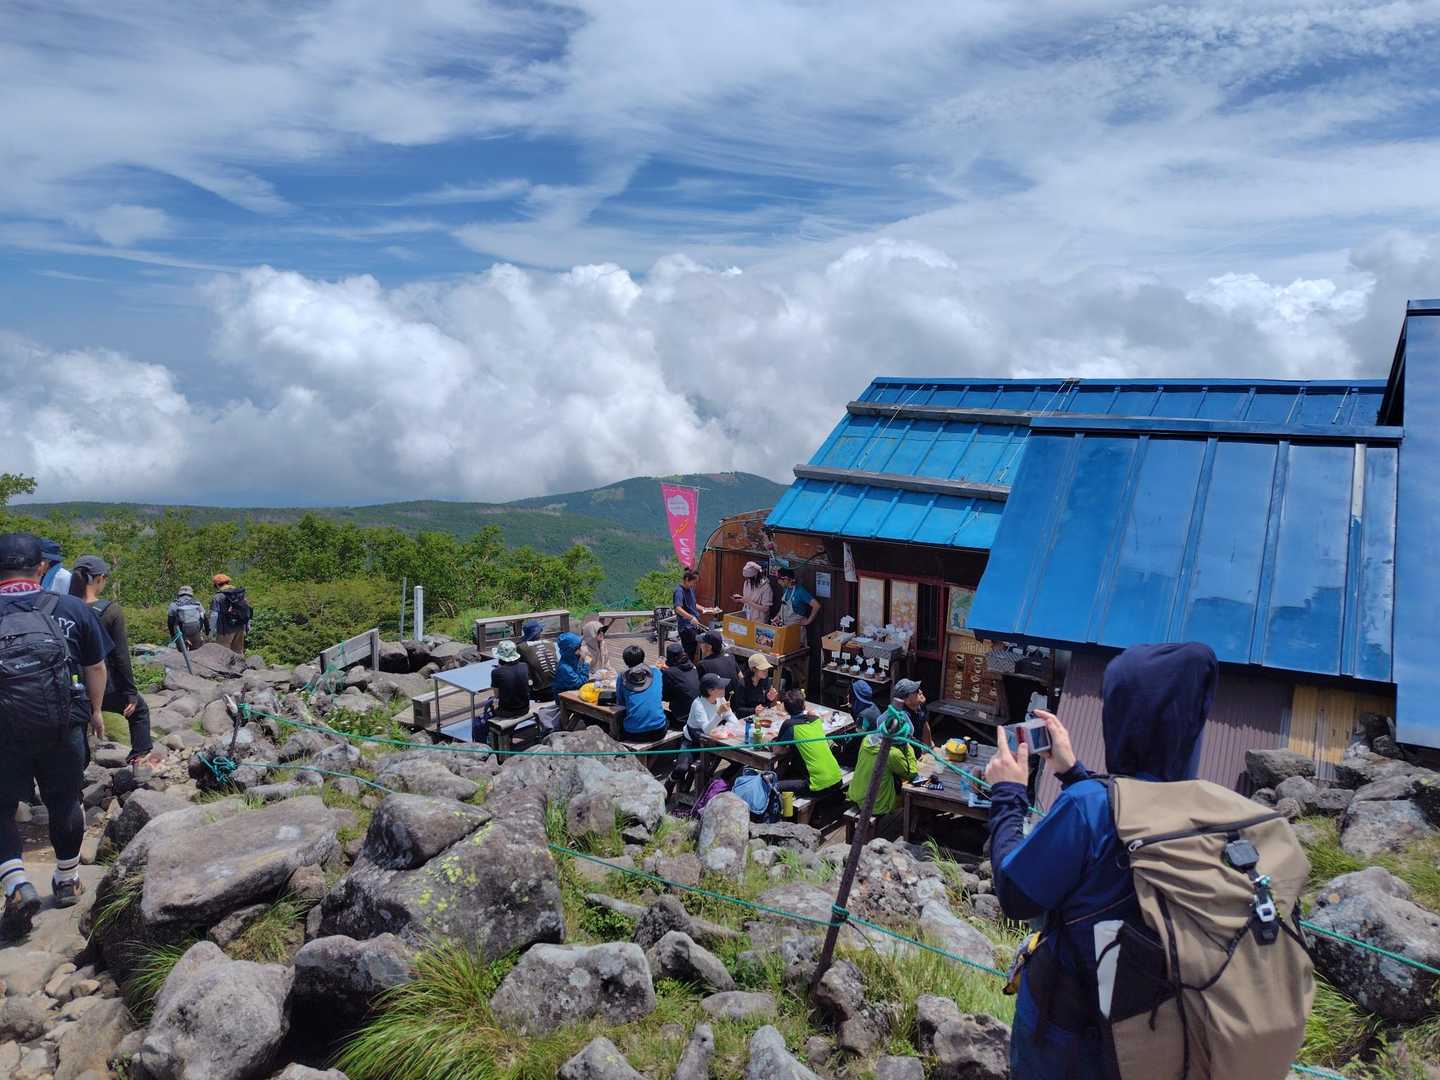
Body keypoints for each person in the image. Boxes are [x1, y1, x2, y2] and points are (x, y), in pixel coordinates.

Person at [983, 642, 1218, 1079]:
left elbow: (1015, 894)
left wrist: (1008, 794)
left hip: (1068, 1038)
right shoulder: (1207, 810)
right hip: (1152, 1033)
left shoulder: (1088, 807)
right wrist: (1073, 771)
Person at [0, 532, 111, 939]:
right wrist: (95, 711)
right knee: (65, 800)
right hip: (62, 724)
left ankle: (16, 882)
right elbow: (96, 666)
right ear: (42, 566)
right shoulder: (71, 607)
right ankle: (66, 880)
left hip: (3, 729)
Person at [69, 556, 156, 766]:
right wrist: (130, 692)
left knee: (78, 726)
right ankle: (139, 761)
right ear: (98, 578)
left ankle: (78, 771)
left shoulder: (63, 606)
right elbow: (120, 656)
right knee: (139, 711)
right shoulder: (109, 611)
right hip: (104, 688)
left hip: (71, 688)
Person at [847, 701, 919, 835]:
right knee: (913, 796)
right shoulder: (892, 753)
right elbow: (911, 773)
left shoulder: (867, 739)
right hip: (876, 803)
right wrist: (907, 746)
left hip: (856, 793)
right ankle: (911, 831)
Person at [669, 672, 732, 792]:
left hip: (711, 741)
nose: (724, 688)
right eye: (720, 687)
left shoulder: (720, 699)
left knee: (737, 760)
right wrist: (719, 713)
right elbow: (706, 729)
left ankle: (716, 786)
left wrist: (735, 726)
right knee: (682, 768)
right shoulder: (698, 704)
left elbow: (730, 715)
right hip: (692, 741)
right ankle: (670, 783)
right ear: (710, 691)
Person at [773, 690, 843, 799]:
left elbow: (777, 751)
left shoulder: (789, 725)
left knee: (774, 785)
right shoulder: (816, 720)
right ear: (804, 705)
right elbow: (812, 714)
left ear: (786, 709)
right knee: (792, 770)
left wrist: (788, 749)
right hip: (837, 779)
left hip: (817, 786)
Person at [614, 644, 667, 742]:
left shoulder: (622, 677)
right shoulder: (656, 673)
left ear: (625, 661)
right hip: (659, 730)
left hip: (634, 733)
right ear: (643, 658)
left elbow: (620, 703)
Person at [672, 569, 718, 659]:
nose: (694, 584)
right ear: (686, 579)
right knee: (689, 652)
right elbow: (678, 608)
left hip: (694, 625)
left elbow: (693, 604)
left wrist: (705, 609)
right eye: (693, 582)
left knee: (704, 644)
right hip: (686, 627)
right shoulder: (679, 591)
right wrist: (691, 618)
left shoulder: (690, 589)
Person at [839, 679, 882, 767]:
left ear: (856, 697)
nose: (847, 696)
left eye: (850, 694)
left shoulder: (863, 716)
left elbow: (856, 738)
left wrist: (841, 740)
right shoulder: (872, 706)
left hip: (869, 750)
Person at [209, 574, 251, 654]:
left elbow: (214, 615)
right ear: (228, 582)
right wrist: (247, 626)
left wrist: (211, 631)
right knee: (238, 653)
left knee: (223, 654)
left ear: (217, 585)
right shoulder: (239, 593)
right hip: (240, 628)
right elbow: (246, 609)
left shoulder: (218, 596)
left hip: (225, 631)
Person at [516, 619, 558, 702]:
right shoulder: (550, 643)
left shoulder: (521, 647)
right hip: (558, 687)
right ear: (539, 632)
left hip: (540, 692)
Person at [660, 641, 699, 727]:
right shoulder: (692, 665)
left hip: (682, 720)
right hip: (697, 715)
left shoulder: (669, 673)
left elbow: (664, 697)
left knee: (656, 715)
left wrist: (662, 674)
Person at [489, 640, 532, 719]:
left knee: (489, 702)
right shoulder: (524, 666)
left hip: (506, 712)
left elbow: (497, 696)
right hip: (525, 709)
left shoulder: (496, 672)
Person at [728, 651, 777, 719]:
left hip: (760, 716)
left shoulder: (765, 680)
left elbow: (765, 704)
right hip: (746, 718)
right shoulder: (742, 684)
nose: (766, 671)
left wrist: (769, 699)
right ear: (753, 669)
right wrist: (754, 710)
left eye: (767, 668)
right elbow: (737, 709)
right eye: (763, 669)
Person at [891, 678, 933, 745]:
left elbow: (925, 726)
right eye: (916, 691)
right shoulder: (902, 718)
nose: (920, 692)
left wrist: (930, 746)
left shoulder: (920, 706)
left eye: (919, 689)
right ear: (906, 700)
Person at [166, 585, 207, 650]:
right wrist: (206, 631)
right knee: (196, 651)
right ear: (191, 593)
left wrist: (173, 635)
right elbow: (204, 618)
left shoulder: (174, 604)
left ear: (179, 593)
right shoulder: (197, 603)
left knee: (182, 652)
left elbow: (170, 622)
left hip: (181, 633)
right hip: (195, 632)